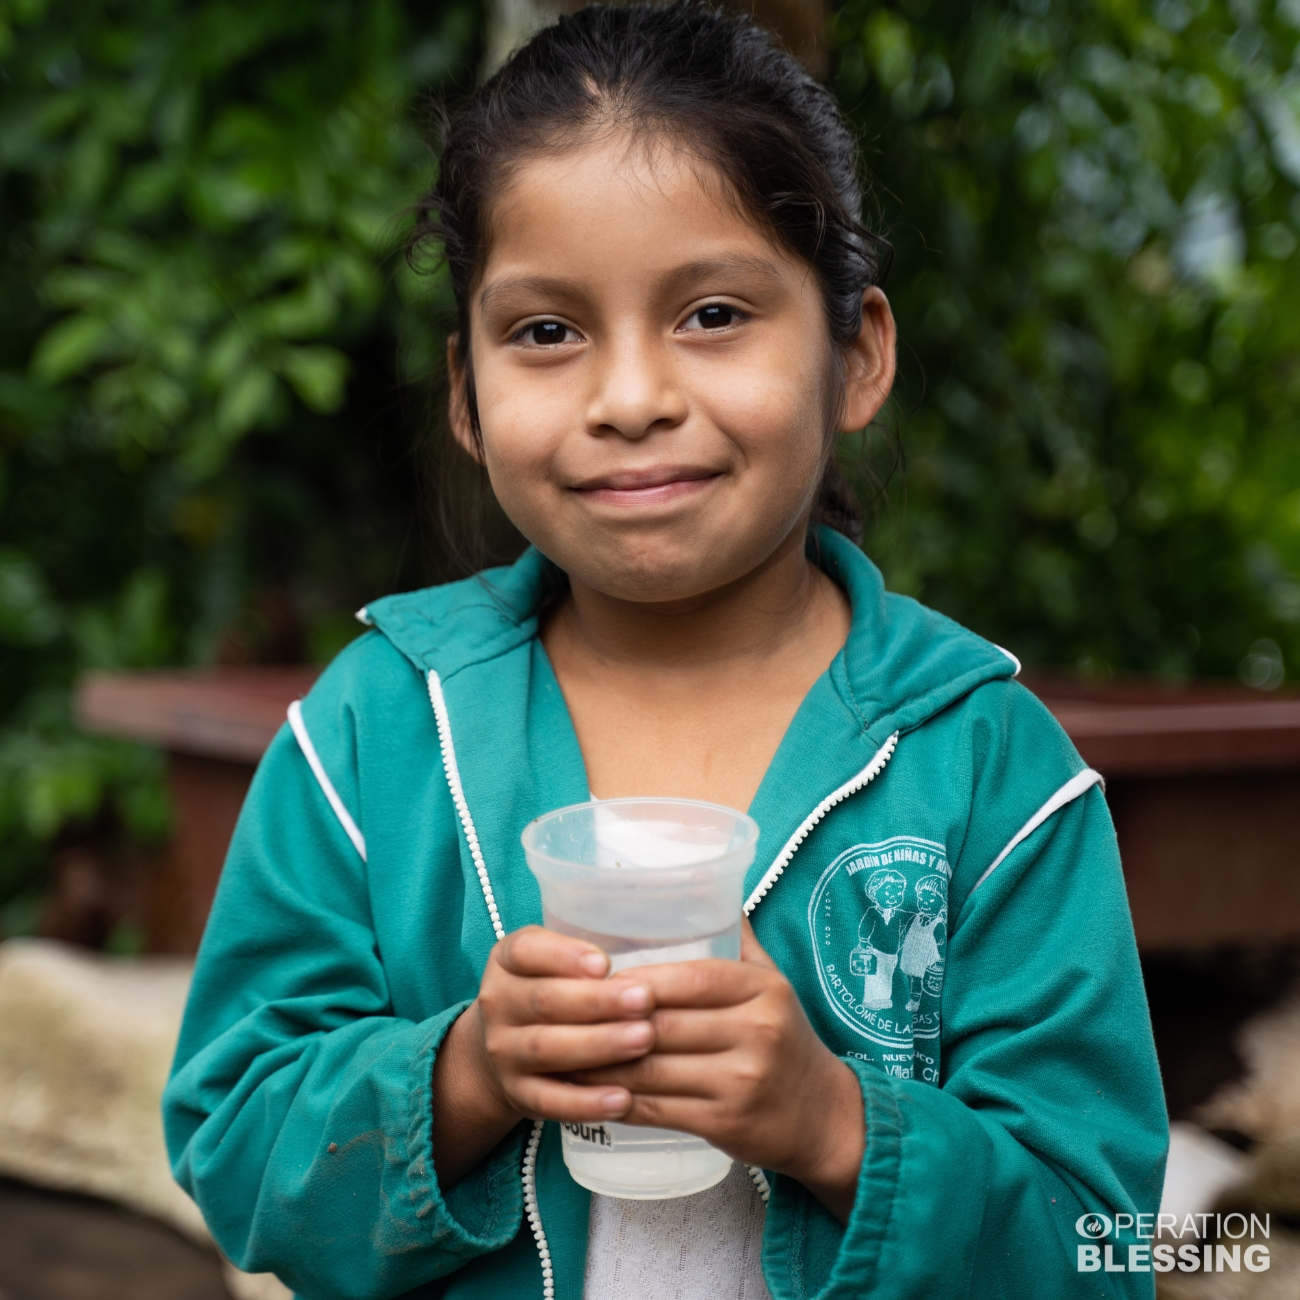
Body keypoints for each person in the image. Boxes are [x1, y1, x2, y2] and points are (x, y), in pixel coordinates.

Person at [162, 5, 1168, 1298]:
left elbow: (1103, 1245)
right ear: (466, 394)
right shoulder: (377, 734)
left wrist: (837, 1126)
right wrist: (466, 1073)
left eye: (712, 313)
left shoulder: (987, 768)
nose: (631, 398)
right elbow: (237, 1145)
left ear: (856, 355)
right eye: (546, 331)